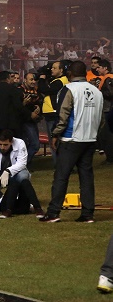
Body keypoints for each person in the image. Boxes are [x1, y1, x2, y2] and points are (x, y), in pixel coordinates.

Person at [41, 61, 104, 223]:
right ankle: (88, 214)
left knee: (61, 176)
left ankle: (53, 212)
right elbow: (101, 118)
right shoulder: (96, 91)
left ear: (70, 74)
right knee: (86, 177)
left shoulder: (68, 89)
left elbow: (63, 115)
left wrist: (55, 134)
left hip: (71, 139)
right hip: (90, 139)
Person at [0, 130, 43, 219]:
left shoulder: (20, 143)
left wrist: (8, 171)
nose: (2, 147)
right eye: (0, 144)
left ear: (11, 142)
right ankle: (7, 208)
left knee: (23, 179)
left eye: (5, 145)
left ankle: (38, 209)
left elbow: (22, 163)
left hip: (14, 173)